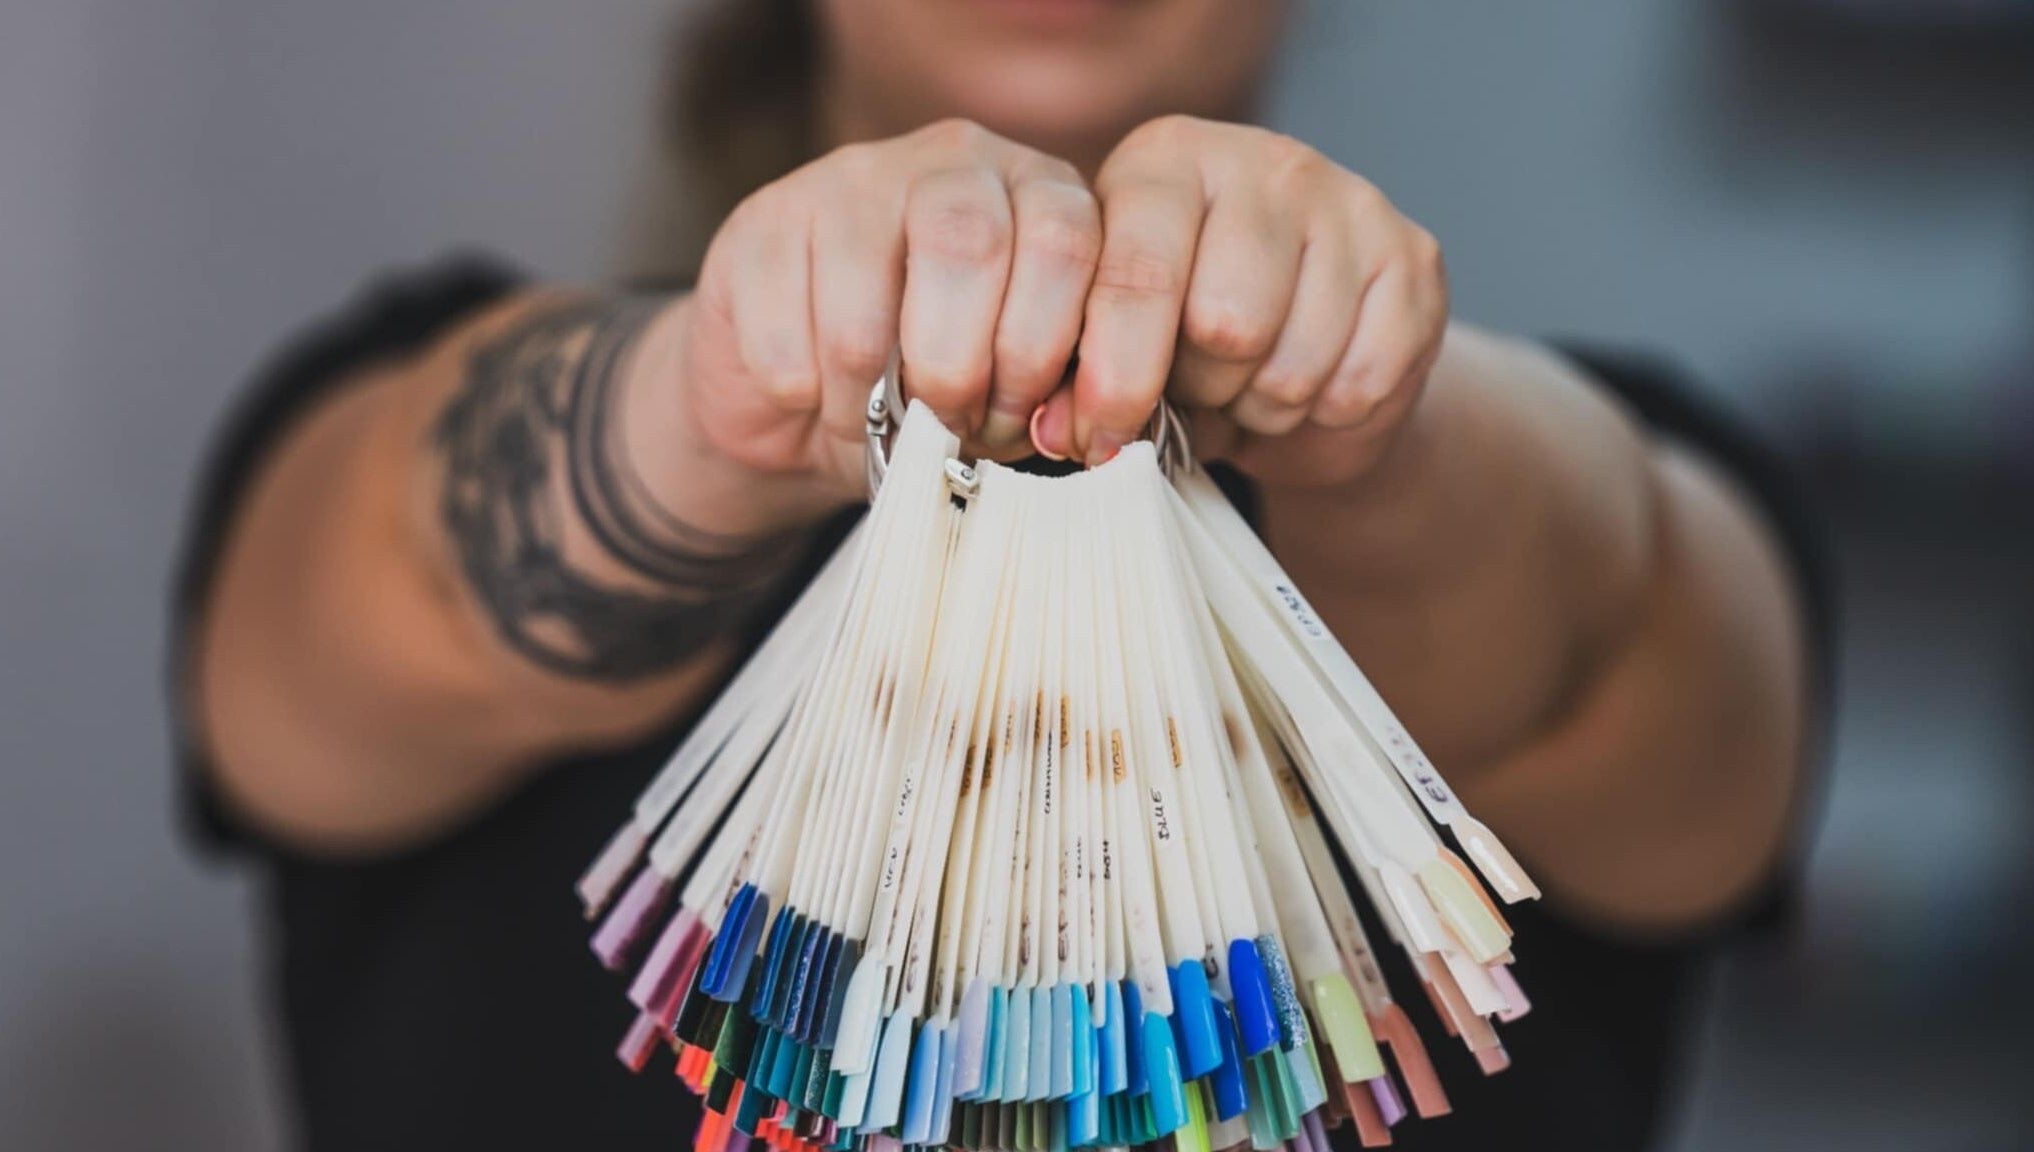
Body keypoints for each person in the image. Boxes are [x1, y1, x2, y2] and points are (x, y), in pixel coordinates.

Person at [172, 1, 1827, 1148]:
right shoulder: (417, 394)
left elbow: (1611, 639)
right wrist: (712, 402)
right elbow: (401, 591)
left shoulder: (1567, 474)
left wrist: (1375, 426)